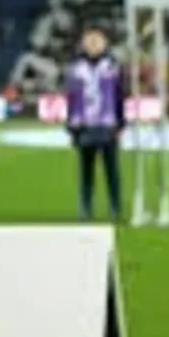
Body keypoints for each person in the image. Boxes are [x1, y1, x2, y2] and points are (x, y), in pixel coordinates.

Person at [65, 26, 127, 222]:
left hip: (107, 124)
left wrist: (121, 122)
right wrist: (71, 126)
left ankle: (115, 208)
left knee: (112, 171)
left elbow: (120, 96)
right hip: (84, 125)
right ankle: (85, 208)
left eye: (97, 41)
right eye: (89, 41)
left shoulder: (112, 66)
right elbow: (71, 97)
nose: (93, 45)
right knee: (86, 171)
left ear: (104, 44)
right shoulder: (76, 68)